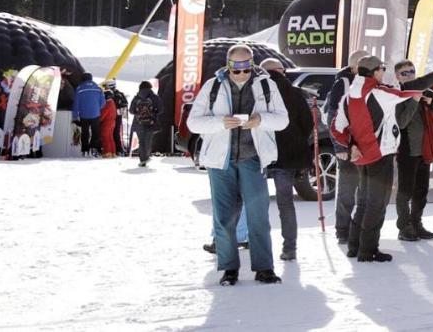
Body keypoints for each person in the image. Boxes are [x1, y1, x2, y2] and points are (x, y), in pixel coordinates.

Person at [186, 44, 289, 286]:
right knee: (224, 218)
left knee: (258, 216)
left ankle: (264, 268)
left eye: (246, 68)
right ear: (228, 65)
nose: (241, 74)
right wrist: (221, 123)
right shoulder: (213, 86)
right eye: (236, 68)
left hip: (252, 159)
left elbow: (282, 119)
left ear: (252, 65)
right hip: (220, 162)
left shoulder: (265, 85)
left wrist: (260, 120)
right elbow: (194, 123)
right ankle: (229, 268)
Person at [332, 55, 416, 263]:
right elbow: (406, 93)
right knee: (376, 204)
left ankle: (355, 246)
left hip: (363, 155)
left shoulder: (349, 95)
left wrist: (350, 146)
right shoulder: (378, 91)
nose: (384, 72)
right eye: (383, 68)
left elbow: (336, 128)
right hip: (381, 153)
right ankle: (368, 250)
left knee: (364, 202)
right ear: (375, 71)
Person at [260, 59, 314, 262]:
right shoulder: (295, 93)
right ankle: (289, 247)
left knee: (253, 201)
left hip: (261, 154)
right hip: (288, 156)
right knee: (286, 203)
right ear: (281, 71)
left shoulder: (257, 91)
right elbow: (307, 124)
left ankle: (252, 242)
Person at [392, 58, 433, 241]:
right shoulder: (397, 94)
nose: (409, 75)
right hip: (407, 150)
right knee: (405, 191)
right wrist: (414, 101)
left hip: (425, 150)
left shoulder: (422, 90)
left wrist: (430, 103)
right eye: (405, 73)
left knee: (421, 191)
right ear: (398, 77)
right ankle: (404, 227)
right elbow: (401, 122)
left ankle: (417, 224)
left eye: (411, 71)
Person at [324, 49, 369, 245]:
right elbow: (333, 118)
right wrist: (341, 147)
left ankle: (360, 228)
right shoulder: (342, 84)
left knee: (366, 191)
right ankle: (342, 230)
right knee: (347, 191)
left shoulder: (371, 84)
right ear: (353, 67)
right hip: (349, 147)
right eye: (363, 64)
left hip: (368, 147)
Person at [72, 72, 105, 157]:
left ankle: (85, 150)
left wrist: (75, 116)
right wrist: (97, 108)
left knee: (85, 133)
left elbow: (76, 104)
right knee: (95, 132)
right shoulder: (98, 88)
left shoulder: (79, 88)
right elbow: (103, 102)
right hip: (95, 114)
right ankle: (94, 148)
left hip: (84, 115)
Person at [129, 81, 161, 167]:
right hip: (151, 122)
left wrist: (138, 112)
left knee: (141, 141)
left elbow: (131, 111)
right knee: (148, 140)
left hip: (139, 122)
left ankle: (143, 159)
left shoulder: (136, 97)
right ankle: (146, 157)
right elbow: (161, 109)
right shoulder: (154, 97)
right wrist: (153, 113)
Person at [105, 81, 129, 155]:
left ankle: (115, 149)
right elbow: (126, 103)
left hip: (109, 115)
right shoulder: (120, 94)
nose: (105, 87)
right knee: (116, 132)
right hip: (118, 116)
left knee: (110, 133)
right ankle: (118, 149)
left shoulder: (108, 94)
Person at [100, 91, 118, 157]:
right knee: (110, 137)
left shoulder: (107, 104)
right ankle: (113, 152)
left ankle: (107, 152)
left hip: (106, 123)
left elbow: (103, 114)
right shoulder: (112, 103)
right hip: (112, 122)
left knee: (105, 137)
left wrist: (98, 120)